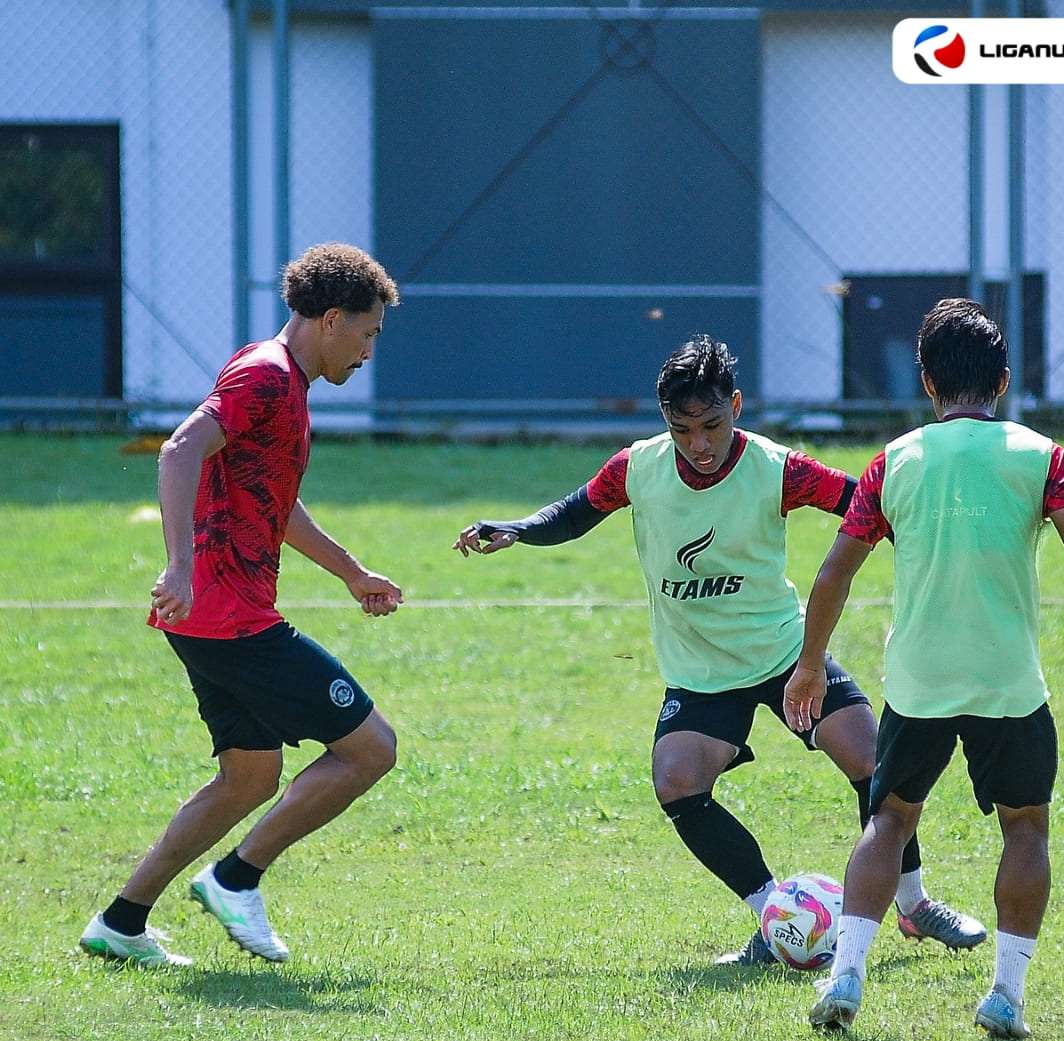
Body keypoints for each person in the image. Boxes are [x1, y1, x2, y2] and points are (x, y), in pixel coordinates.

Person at [454, 335, 985, 964]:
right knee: (676, 782)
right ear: (665, 423)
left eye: (712, 424)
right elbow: (574, 512)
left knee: (873, 761)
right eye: (682, 430)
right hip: (700, 670)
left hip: (783, 652)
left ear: (735, 405)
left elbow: (861, 503)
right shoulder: (638, 467)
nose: (699, 444)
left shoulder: (775, 467)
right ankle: (772, 917)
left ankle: (915, 904)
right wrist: (517, 529)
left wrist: (933, 548)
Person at [784, 298, 1064, 1037]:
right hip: (1007, 682)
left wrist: (809, 665)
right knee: (1025, 828)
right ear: (1000, 380)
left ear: (927, 383)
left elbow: (835, 572)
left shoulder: (892, 462)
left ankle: (846, 979)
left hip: (919, 681)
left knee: (890, 819)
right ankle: (1006, 994)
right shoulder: (1043, 457)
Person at [80, 243, 403, 968]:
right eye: (368, 332)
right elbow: (179, 449)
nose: (369, 349)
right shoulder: (265, 377)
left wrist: (351, 573)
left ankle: (121, 921)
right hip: (229, 618)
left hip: (211, 617)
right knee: (371, 748)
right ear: (330, 320)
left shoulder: (284, 384)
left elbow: (275, 504)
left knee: (250, 777)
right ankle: (236, 877)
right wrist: (180, 567)